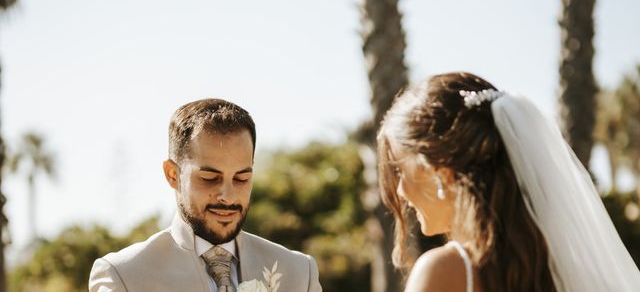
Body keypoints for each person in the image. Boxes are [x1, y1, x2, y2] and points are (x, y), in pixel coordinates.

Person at [378, 71, 640, 292]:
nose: (399, 191)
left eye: (400, 170)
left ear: (441, 172)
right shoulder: (571, 270)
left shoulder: (444, 271)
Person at [89, 98, 322, 292]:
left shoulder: (299, 273)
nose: (228, 197)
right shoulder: (124, 276)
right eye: (210, 179)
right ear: (172, 175)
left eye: (241, 178)